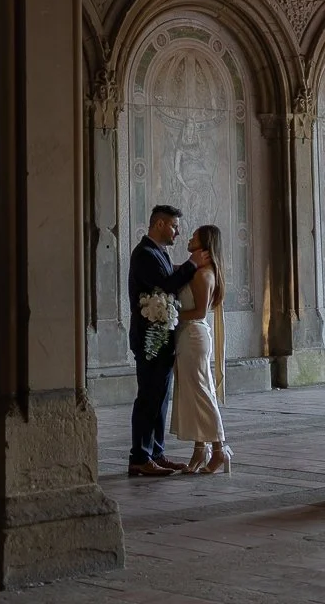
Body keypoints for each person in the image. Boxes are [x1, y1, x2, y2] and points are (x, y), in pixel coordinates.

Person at [128, 204, 211, 477]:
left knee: (160, 397)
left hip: (162, 337)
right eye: (175, 226)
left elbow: (168, 277)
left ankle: (156, 453)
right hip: (150, 339)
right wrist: (192, 264)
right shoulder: (144, 254)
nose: (178, 231)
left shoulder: (159, 252)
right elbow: (165, 285)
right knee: (149, 397)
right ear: (160, 224)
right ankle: (140, 457)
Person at [172, 224, 231, 474]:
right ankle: (200, 449)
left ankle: (219, 450)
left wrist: (171, 313)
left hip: (193, 334)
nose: (189, 238)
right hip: (190, 335)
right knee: (195, 392)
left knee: (202, 393)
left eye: (194, 237)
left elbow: (198, 311)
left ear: (204, 244)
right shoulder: (199, 270)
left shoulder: (203, 274)